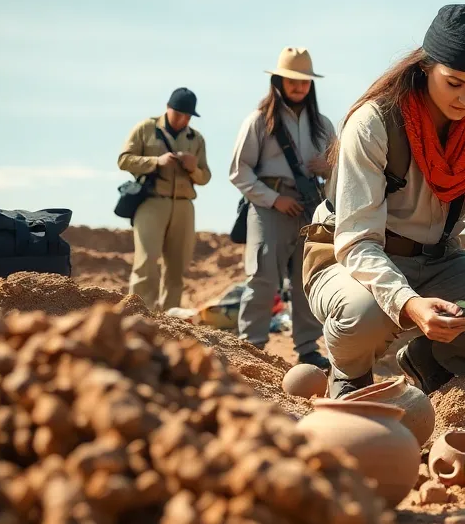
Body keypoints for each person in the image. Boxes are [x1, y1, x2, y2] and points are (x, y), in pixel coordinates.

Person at [303, 5, 465, 397]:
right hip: (352, 256)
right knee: (365, 315)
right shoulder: (374, 121)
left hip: (440, 260)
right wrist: (408, 304)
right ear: (425, 67)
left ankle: (428, 361)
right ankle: (349, 373)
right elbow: (356, 240)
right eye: (454, 83)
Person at [229, 47, 335, 369]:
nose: (299, 87)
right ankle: (252, 349)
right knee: (262, 277)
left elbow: (340, 172)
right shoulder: (259, 121)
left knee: (308, 281)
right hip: (269, 207)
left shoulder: (324, 125)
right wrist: (275, 200)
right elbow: (239, 170)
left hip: (310, 208)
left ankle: (307, 349)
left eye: (305, 81)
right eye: (293, 80)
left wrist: (328, 166)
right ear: (279, 81)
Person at [117, 87, 211, 311]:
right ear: (168, 108)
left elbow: (205, 176)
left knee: (177, 267)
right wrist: (155, 162)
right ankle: (139, 318)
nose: (182, 120)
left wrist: (193, 169)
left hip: (184, 207)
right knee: (146, 263)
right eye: (178, 114)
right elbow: (124, 160)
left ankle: (170, 322)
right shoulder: (145, 129)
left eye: (187, 116)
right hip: (152, 202)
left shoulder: (196, 138)